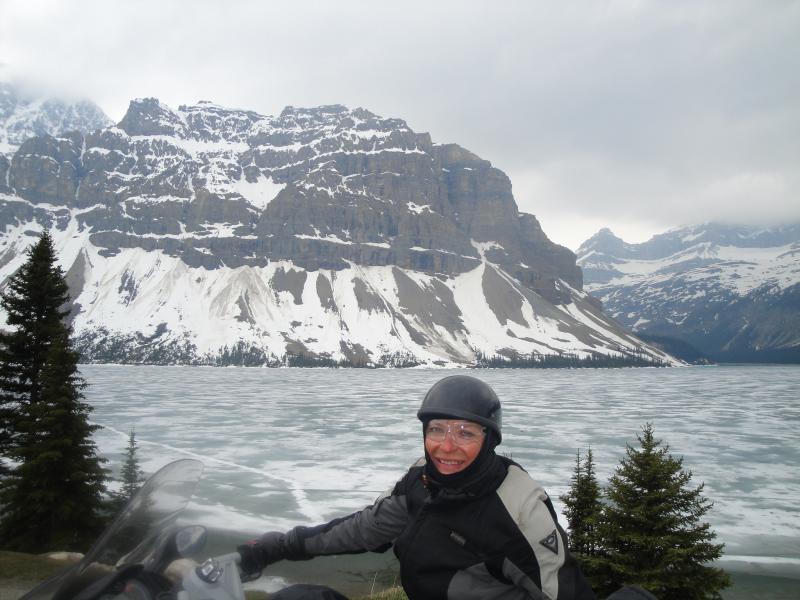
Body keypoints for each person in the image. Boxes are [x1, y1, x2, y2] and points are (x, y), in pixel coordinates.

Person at [237, 375, 596, 599]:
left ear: (490, 440)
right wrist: (280, 546)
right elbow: (366, 529)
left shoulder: (520, 509)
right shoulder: (424, 480)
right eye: (437, 429)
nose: (447, 446)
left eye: (465, 432)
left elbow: (562, 592)